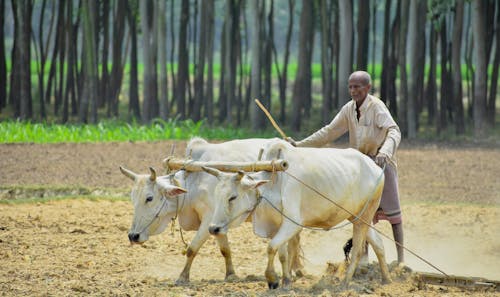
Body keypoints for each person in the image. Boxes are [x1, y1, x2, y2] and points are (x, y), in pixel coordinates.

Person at [288, 70, 404, 265]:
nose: (353, 91)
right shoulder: (349, 109)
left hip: (381, 165)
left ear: (368, 88)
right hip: (360, 169)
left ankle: (401, 261)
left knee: (394, 216)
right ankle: (363, 260)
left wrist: (385, 152)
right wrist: (299, 145)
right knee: (362, 217)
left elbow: (394, 130)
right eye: (350, 87)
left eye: (357, 87)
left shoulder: (377, 107)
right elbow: (329, 132)